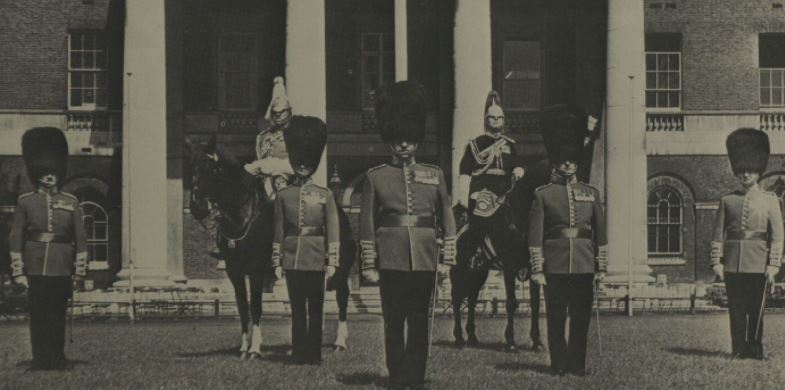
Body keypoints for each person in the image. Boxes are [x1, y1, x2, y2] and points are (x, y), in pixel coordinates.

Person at [359, 80, 456, 390]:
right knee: (393, 320)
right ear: (390, 140)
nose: (404, 145)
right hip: (391, 257)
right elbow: (366, 224)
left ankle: (414, 377)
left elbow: (447, 217)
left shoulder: (435, 174)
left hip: (425, 257)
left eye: (409, 140)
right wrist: (369, 263)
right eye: (399, 140)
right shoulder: (376, 177)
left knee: (419, 320)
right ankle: (397, 374)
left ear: (417, 141)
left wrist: (447, 260)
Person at [527, 104, 607, 376]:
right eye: (564, 160)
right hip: (556, 264)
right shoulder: (543, 195)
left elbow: (601, 233)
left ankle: (577, 363)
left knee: (581, 318)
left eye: (572, 160)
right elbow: (535, 236)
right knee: (557, 316)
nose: (569, 164)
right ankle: (559, 364)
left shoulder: (591, 193)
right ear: (556, 161)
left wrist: (602, 266)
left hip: (584, 264)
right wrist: (537, 268)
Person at [456, 90, 539, 351]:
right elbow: (465, 173)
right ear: (485, 119)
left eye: (500, 117)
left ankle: (524, 261)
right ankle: (476, 256)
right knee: (479, 227)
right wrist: (465, 198)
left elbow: (517, 163)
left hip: (503, 198)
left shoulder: (510, 144)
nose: (497, 122)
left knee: (515, 223)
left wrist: (518, 169)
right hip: (481, 199)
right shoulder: (475, 145)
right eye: (493, 118)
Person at [9, 127, 87, 370]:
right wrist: (19, 271)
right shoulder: (26, 202)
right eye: (45, 171)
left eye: (53, 171)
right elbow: (16, 236)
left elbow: (81, 239)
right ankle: (40, 358)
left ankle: (56, 357)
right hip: (35, 266)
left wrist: (80, 271)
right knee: (39, 316)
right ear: (37, 173)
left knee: (56, 315)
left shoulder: (72, 203)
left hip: (61, 267)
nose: (50, 176)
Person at [271, 116, 339, 365]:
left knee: (316, 309)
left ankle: (314, 353)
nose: (302, 166)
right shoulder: (284, 195)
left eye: (307, 162)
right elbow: (278, 230)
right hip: (292, 258)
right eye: (298, 161)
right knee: (298, 310)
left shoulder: (325, 195)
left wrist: (332, 260)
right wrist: (277, 261)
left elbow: (332, 230)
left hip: (315, 257)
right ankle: (299, 353)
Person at [711, 128, 783, 360]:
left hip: (759, 263)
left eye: (750, 170)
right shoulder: (727, 200)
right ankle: (739, 348)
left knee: (756, 310)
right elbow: (717, 235)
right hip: (732, 264)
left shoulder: (770, 201)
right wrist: (716, 262)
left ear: (758, 171)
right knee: (736, 310)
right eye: (741, 171)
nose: (745, 175)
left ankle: (755, 348)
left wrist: (773, 265)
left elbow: (778, 236)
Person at [245, 76, 295, 200]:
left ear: (288, 112)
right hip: (263, 178)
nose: (278, 115)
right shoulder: (263, 136)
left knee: (280, 185)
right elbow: (259, 157)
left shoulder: (294, 134)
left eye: (281, 112)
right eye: (275, 113)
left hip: (286, 178)